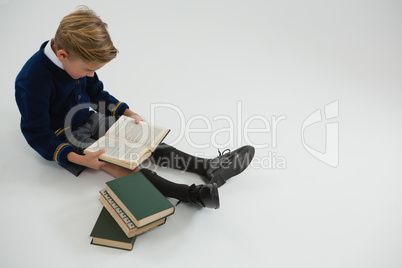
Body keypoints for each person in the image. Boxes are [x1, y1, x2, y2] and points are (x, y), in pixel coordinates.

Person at [15, 6, 255, 209]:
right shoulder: (32, 81)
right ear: (62, 54)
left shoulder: (78, 62)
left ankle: (206, 166)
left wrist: (126, 113)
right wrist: (76, 157)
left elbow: (96, 93)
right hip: (64, 135)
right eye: (88, 69)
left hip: (88, 118)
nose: (90, 74)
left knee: (140, 139)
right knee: (118, 161)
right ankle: (189, 194)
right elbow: (37, 133)